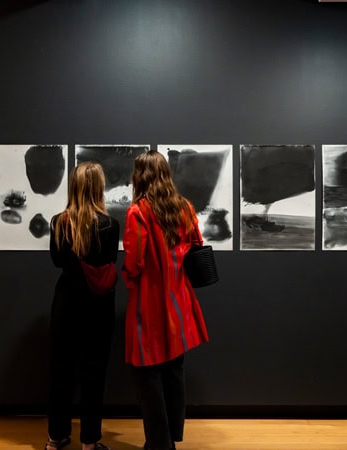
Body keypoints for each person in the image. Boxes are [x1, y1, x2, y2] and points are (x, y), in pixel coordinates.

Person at [122, 150, 209, 450]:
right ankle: (170, 438)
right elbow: (197, 246)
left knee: (147, 376)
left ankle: (159, 444)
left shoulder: (139, 212)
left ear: (140, 176)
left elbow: (133, 262)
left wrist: (129, 278)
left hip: (149, 304)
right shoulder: (184, 207)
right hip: (180, 302)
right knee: (174, 371)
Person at [47, 162, 119, 450]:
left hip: (66, 301)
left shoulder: (57, 222)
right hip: (98, 304)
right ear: (98, 187)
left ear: (73, 186)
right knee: (94, 373)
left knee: (60, 371)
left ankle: (56, 438)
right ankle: (89, 442)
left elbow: (56, 261)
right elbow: (109, 259)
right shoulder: (110, 224)